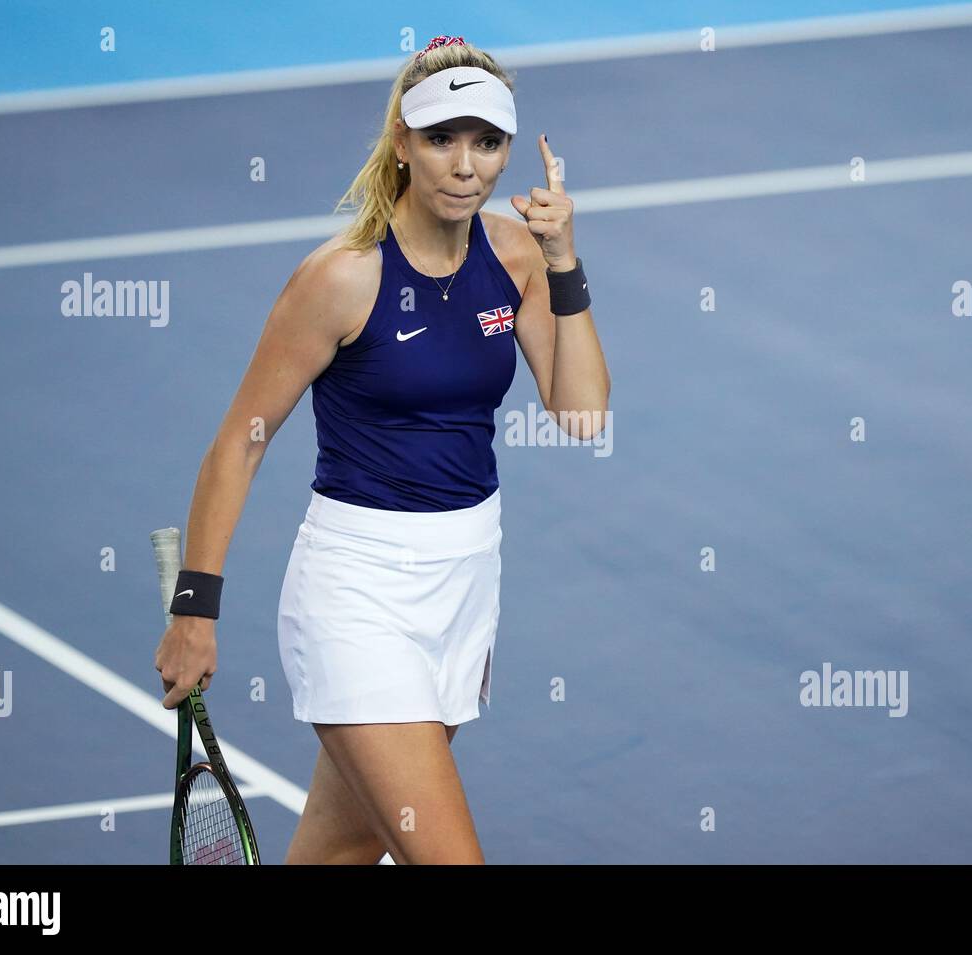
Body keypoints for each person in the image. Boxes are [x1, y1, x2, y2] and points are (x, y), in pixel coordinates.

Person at [153, 34, 611, 864]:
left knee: (342, 852)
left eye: (486, 142)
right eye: (441, 139)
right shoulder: (341, 278)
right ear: (402, 143)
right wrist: (195, 609)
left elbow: (582, 412)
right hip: (357, 598)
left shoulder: (516, 258)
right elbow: (237, 445)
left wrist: (564, 261)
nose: (465, 166)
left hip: (465, 585)